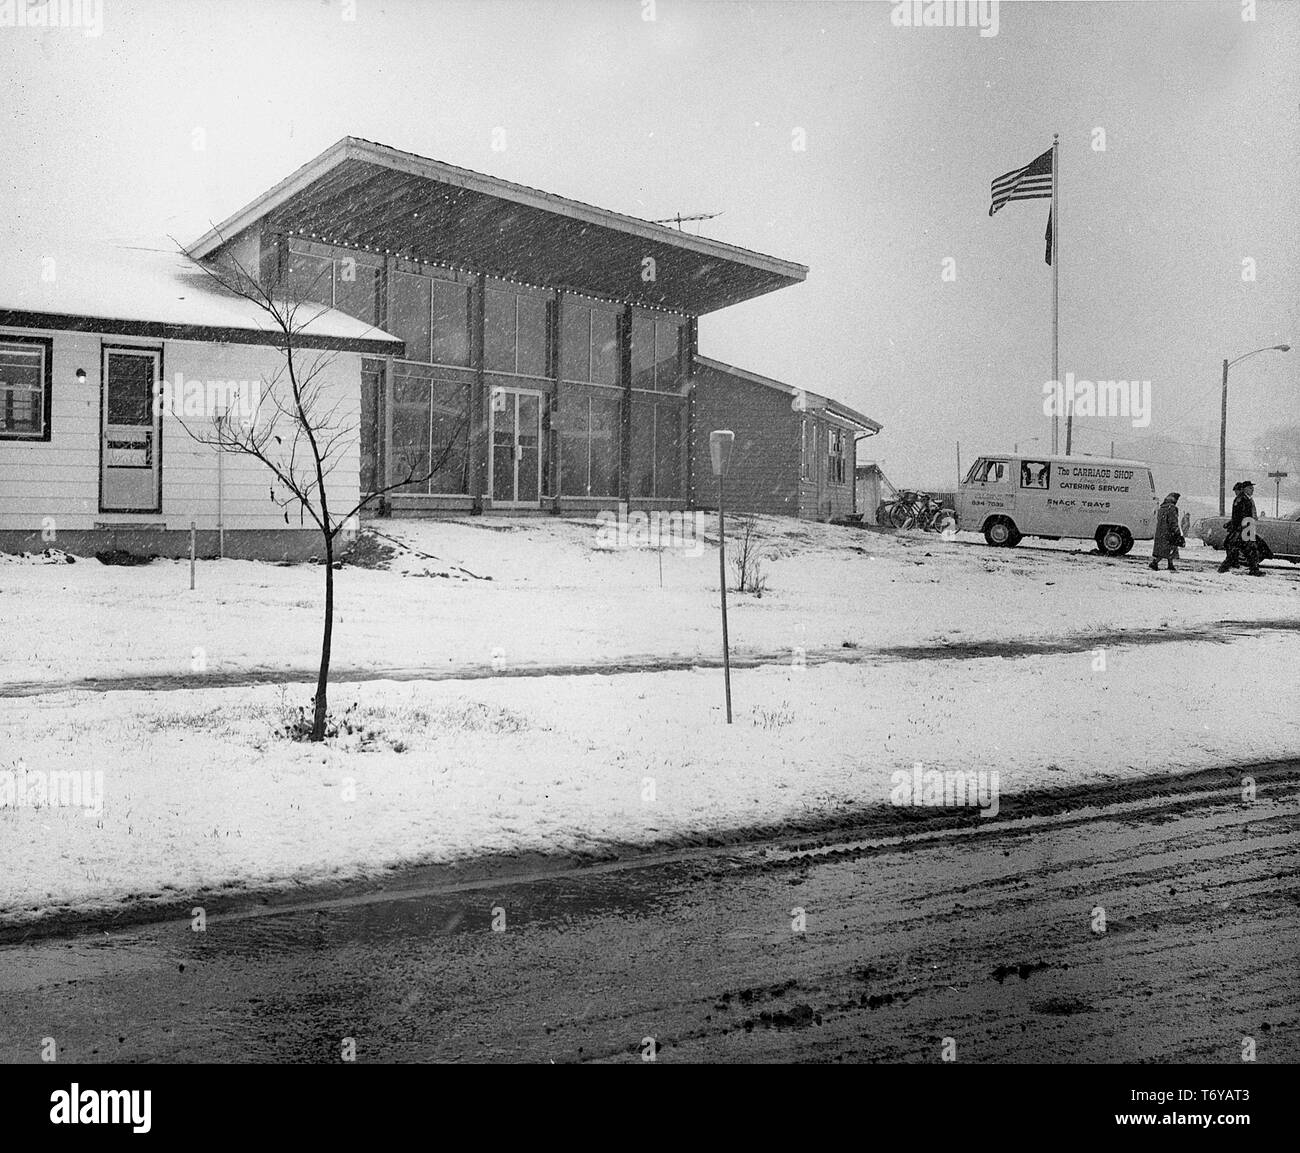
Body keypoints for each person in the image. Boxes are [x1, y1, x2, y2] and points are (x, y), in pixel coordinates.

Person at [1219, 480, 1264, 576]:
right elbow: (1238, 516)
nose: (1252, 490)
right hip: (1243, 528)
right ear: (1244, 489)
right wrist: (1239, 528)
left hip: (1246, 527)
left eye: (1252, 488)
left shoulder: (1246, 499)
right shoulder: (1241, 499)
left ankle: (1253, 569)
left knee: (1249, 550)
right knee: (1248, 549)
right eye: (1250, 488)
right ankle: (1253, 570)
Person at [1149, 492, 1185, 572]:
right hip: (1169, 533)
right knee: (1166, 550)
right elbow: (1173, 522)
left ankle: (1170, 564)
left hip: (1160, 532)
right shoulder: (1172, 508)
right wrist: (1177, 531)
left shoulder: (1162, 508)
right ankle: (1155, 563)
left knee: (1166, 550)